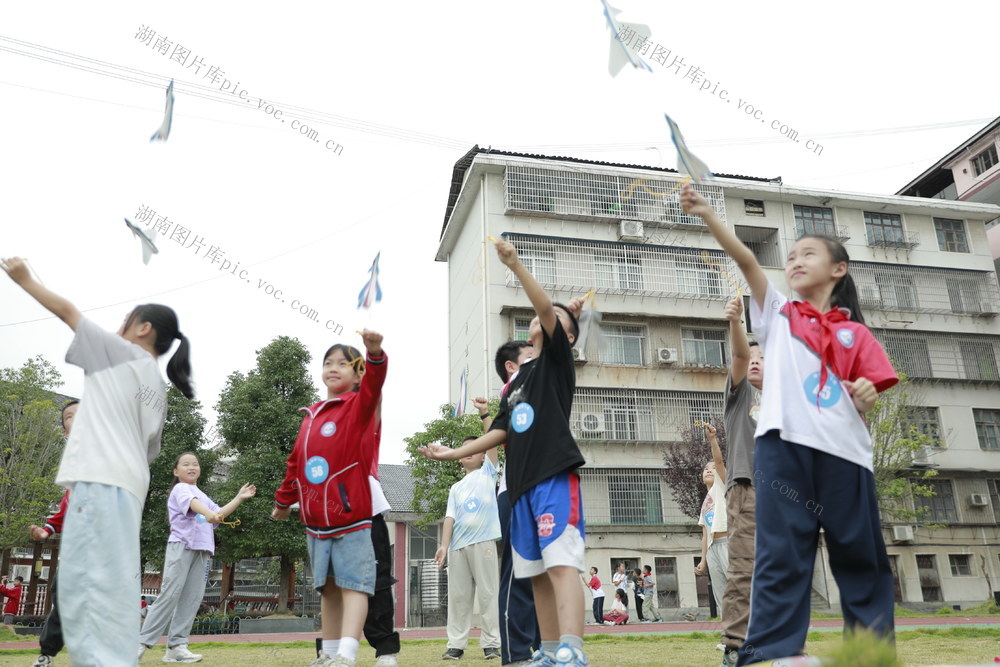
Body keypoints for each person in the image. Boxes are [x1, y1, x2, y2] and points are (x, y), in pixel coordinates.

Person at [680, 186, 899, 665]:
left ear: (838, 269)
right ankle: (773, 653)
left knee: (860, 557)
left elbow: (873, 384)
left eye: (809, 254)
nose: (795, 260)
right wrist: (709, 216)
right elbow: (746, 261)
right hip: (781, 452)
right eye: (792, 255)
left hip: (844, 455)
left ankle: (871, 652)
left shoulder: (853, 332)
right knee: (780, 557)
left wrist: (864, 390)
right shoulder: (779, 315)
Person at [3, 256, 194, 667]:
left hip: (99, 481)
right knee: (111, 578)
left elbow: (69, 313)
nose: (119, 324)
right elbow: (149, 449)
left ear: (143, 329)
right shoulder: (156, 387)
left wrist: (24, 280)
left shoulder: (120, 351)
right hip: (128, 488)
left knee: (81, 581)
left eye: (127, 318)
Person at [419, 238, 590, 666]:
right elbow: (499, 431)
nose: (540, 317)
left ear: (564, 336)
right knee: (535, 575)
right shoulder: (515, 384)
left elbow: (549, 313)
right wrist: (450, 453)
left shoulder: (554, 362)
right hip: (522, 487)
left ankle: (572, 649)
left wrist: (515, 264)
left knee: (561, 564)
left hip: (553, 476)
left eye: (553, 320)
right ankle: (549, 652)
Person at [273, 333, 387, 667]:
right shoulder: (311, 415)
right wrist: (283, 502)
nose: (333, 368)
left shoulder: (359, 406)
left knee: (354, 586)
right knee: (328, 588)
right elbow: (296, 463)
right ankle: (329, 652)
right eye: (328, 363)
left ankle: (348, 654)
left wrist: (375, 352)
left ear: (358, 374)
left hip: (351, 516)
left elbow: (376, 382)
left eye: (343, 363)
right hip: (316, 522)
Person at [138, 452, 256, 663]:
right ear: (176, 471)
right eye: (186, 464)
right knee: (170, 594)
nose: (192, 467)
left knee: (191, 599)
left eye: (195, 464)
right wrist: (211, 515)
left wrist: (238, 497)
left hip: (203, 550)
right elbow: (201, 510)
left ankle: (176, 646)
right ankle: (140, 644)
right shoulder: (181, 489)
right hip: (182, 546)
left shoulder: (201, 493)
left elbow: (218, 513)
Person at [479, 340, 542, 666]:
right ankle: (516, 654)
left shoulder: (540, 389)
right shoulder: (514, 393)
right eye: (531, 357)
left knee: (543, 574)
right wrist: (485, 417)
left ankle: (542, 648)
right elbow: (498, 436)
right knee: (518, 572)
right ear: (511, 367)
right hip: (514, 494)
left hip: (544, 493)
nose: (539, 361)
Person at [719, 296, 764, 665]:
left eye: (763, 358)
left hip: (786, 495)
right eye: (752, 358)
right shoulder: (741, 396)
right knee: (744, 569)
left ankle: (779, 642)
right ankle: (735, 647)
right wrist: (737, 323)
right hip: (747, 488)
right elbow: (739, 357)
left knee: (782, 570)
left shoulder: (785, 399)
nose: (755, 363)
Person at [435, 436, 502, 661]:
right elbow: (450, 517)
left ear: (483, 455)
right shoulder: (456, 487)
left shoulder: (488, 473)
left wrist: (485, 414)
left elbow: (493, 441)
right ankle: (455, 645)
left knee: (488, 595)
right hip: (458, 547)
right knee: (458, 598)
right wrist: (444, 545)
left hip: (484, 543)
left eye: (474, 448)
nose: (468, 451)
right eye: (463, 448)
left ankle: (491, 645)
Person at [27, 400, 78, 667]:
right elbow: (59, 517)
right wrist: (44, 532)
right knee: (64, 599)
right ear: (65, 431)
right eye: (69, 417)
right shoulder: (71, 475)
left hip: (105, 546)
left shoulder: (109, 457)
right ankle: (47, 654)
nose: (77, 419)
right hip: (75, 550)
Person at [695, 424, 728, 622]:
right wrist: (703, 560)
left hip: (728, 544)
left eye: (712, 468)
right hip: (713, 549)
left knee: (741, 592)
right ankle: (732, 640)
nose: (710, 469)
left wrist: (712, 440)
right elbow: (705, 535)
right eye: (706, 468)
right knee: (722, 596)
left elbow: (720, 461)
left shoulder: (723, 486)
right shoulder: (706, 501)